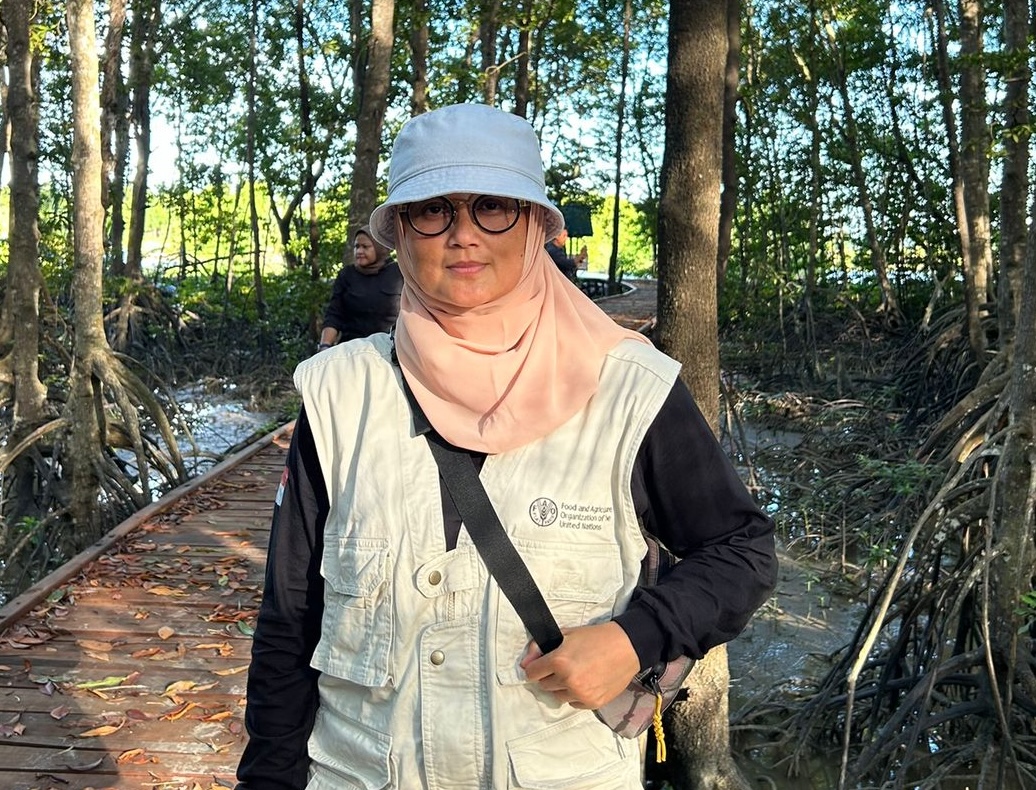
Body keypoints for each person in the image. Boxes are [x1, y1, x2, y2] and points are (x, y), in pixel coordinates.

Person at [236, 103, 777, 790]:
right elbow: (291, 615)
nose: (463, 235)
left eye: (492, 206)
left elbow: (741, 552)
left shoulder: (629, 390)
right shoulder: (342, 393)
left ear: (533, 227)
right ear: (401, 232)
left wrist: (634, 637)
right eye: (433, 210)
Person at [316, 225, 403, 352]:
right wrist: (325, 346)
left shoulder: (398, 272)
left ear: (379, 248)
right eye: (357, 246)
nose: (359, 251)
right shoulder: (347, 275)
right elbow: (334, 315)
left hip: (390, 349)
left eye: (365, 247)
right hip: (351, 349)